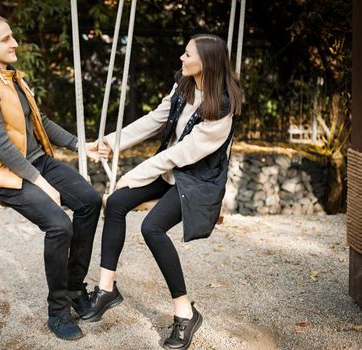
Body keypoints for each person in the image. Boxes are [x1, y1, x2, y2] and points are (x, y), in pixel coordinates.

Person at [82, 34, 242, 350]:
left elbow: (183, 153)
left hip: (195, 179)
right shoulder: (183, 85)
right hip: (169, 169)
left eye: (187, 54)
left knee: (152, 227)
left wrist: (136, 173)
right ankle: (106, 290)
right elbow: (155, 120)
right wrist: (111, 142)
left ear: (206, 62)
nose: (181, 59)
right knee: (115, 202)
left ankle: (185, 313)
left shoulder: (223, 105)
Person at [0, 14, 103, 341]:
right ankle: (57, 310)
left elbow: (41, 121)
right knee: (59, 225)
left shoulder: (11, 78)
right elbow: (0, 147)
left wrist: (80, 145)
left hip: (37, 163)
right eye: (6, 38)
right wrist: (43, 184)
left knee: (90, 202)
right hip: (6, 175)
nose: (14, 43)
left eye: (12, 37)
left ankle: (73, 288)